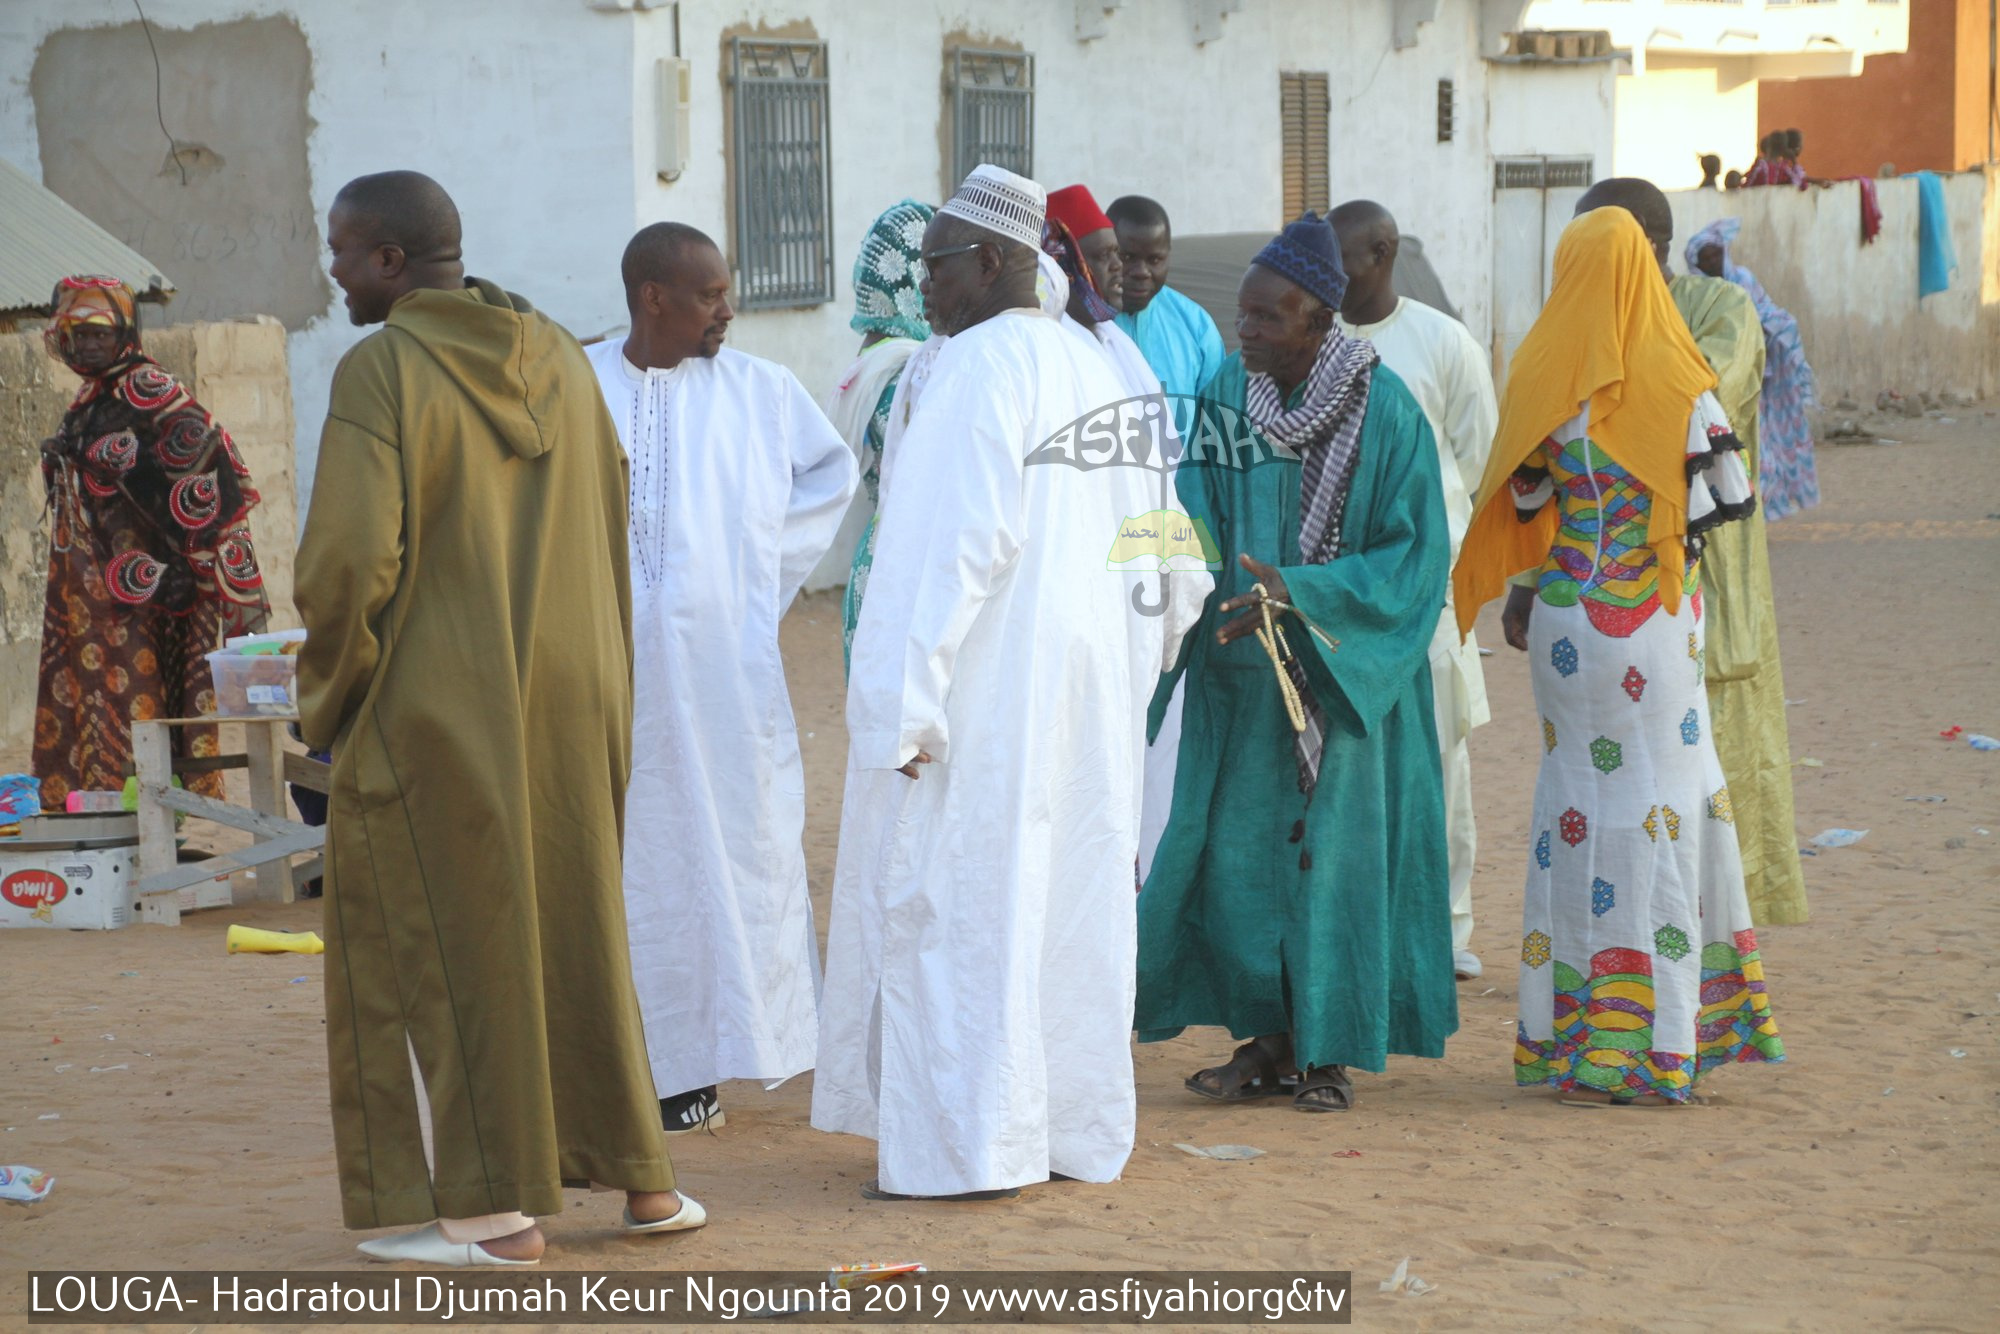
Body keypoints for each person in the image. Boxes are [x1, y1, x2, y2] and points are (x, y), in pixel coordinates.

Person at [296, 170, 697, 1265]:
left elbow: (347, 565)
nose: (328, 269)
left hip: (440, 703)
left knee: (444, 943)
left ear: (389, 260)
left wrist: (328, 699)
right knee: (570, 928)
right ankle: (643, 1183)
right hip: (574, 691)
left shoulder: (381, 368)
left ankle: (493, 1213)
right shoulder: (563, 354)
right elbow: (614, 522)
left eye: (340, 249)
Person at [814, 165, 1199, 1199]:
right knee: (1063, 909)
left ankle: (969, 1145)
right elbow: (1171, 550)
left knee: (965, 902)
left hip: (987, 698)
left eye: (935, 265)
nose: (924, 289)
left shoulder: (980, 366)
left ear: (988, 263)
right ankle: (1067, 1130)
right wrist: (1136, 653)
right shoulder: (1099, 364)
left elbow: (947, 550)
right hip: (1088, 697)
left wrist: (903, 704)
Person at [1457, 205, 1784, 1107]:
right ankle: (1670, 1036)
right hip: (1659, 620)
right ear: (1643, 273)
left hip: (1566, 623)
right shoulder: (1681, 379)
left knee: (1580, 802)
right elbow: (1723, 504)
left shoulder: (1538, 372)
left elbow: (1523, 507)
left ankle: (1578, 1038)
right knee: (1667, 802)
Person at [1136, 213, 1458, 1114]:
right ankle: (1262, 1043)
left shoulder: (1386, 410)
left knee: (1335, 870)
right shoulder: (1228, 403)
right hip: (1241, 680)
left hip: (1346, 684)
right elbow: (1190, 513)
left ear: (1319, 320)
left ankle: (1329, 1055)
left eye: (1267, 319)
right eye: (1241, 316)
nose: (1246, 333)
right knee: (1237, 867)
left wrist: (1306, 597)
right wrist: (1176, 587)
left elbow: (1415, 556)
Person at [586, 222, 857, 1134]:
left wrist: (752, 581)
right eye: (708, 295)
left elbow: (831, 474)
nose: (727, 310)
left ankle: (707, 1061)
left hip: (726, 685)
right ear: (652, 298)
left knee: (731, 858)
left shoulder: (762, 393)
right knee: (626, 864)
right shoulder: (579, 386)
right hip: (602, 680)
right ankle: (631, 1063)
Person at [1579, 179, 1809, 929]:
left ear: (1648, 245)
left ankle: (1714, 938)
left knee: (1714, 751)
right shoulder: (1584, 322)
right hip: (1606, 587)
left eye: (1601, 245)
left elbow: (1696, 393)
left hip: (1707, 569)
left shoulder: (1722, 311)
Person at [1330, 200, 1498, 982]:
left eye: (1343, 261)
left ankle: (1446, 924)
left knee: (1440, 762)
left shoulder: (1442, 344)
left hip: (1430, 596)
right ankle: (1361, 921)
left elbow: (1485, 463)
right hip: (1340, 596)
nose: (1329, 278)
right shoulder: (1313, 342)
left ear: (1384, 253)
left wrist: (1458, 572)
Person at [34, 276, 269, 811]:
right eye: (77, 332)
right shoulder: (93, 395)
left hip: (146, 590)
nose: (89, 343)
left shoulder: (148, 388)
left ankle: (157, 825)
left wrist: (106, 457)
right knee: (100, 698)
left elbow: (213, 459)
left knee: (134, 699)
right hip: (95, 587)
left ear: (126, 333)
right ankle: (116, 822)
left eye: (101, 332)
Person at [1044, 185, 1198, 882]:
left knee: (1139, 769)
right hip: (1070, 603)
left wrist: (1171, 598)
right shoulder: (1046, 353)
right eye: (1100, 257)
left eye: (1127, 258)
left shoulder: (1120, 344)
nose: (1117, 273)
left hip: (1134, 593)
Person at [829, 200, 935, 676]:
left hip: (877, 573)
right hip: (909, 582)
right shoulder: (908, 377)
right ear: (910, 280)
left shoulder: (873, 364)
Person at [1687, 218, 1819, 520]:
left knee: (1762, 450)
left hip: (1757, 378)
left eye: (1715, 254)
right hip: (1721, 382)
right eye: (1705, 258)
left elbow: (1767, 313)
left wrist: (1771, 329)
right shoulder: (1699, 292)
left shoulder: (1744, 280)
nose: (1712, 261)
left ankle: (1762, 511)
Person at [1106, 194, 1226, 410]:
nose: (1141, 272)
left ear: (1168, 256)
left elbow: (1216, 426)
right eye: (1127, 258)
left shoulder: (1197, 327)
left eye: (1154, 260)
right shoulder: (1080, 323)